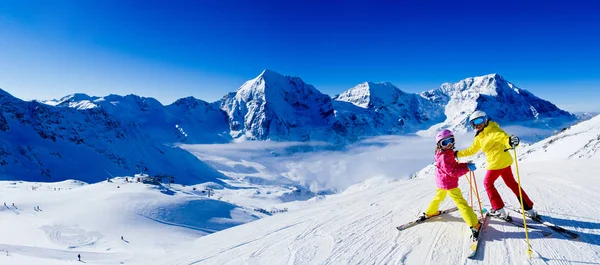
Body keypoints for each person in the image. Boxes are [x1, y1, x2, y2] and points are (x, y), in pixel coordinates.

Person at [456, 110, 537, 220]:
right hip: (505, 162)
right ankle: (530, 209)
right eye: (473, 123)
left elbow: (504, 138)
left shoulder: (493, 130)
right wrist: (457, 153)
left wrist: (512, 142)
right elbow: (472, 150)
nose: (477, 124)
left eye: (479, 120)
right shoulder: (480, 136)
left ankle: (499, 210)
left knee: (487, 183)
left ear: (485, 119)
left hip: (497, 163)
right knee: (511, 183)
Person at [422, 129, 482, 239]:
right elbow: (453, 172)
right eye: (445, 142)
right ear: (439, 145)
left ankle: (430, 212)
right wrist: (466, 168)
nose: (449, 144)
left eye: (451, 140)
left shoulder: (444, 153)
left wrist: (465, 165)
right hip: (449, 184)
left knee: (438, 197)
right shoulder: (445, 157)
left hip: (441, 182)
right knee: (461, 204)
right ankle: (474, 225)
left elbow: (453, 166)